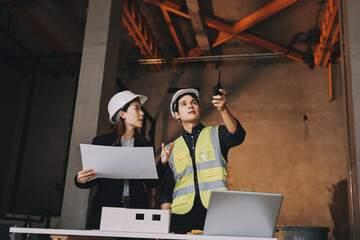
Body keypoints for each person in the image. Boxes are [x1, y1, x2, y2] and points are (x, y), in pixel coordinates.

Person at [160, 88, 246, 233]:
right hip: (182, 215)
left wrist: (223, 109)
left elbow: (237, 135)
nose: (190, 106)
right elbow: (167, 187)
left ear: (199, 109)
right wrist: (163, 224)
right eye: (184, 104)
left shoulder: (217, 134)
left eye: (194, 102)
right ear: (177, 114)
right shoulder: (170, 149)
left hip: (216, 210)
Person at [75, 90, 164, 230]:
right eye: (137, 108)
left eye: (141, 109)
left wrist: (162, 163)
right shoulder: (101, 142)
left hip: (136, 208)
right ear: (122, 114)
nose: (142, 113)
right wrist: (80, 179)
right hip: (106, 207)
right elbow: (94, 179)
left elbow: (151, 182)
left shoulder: (145, 145)